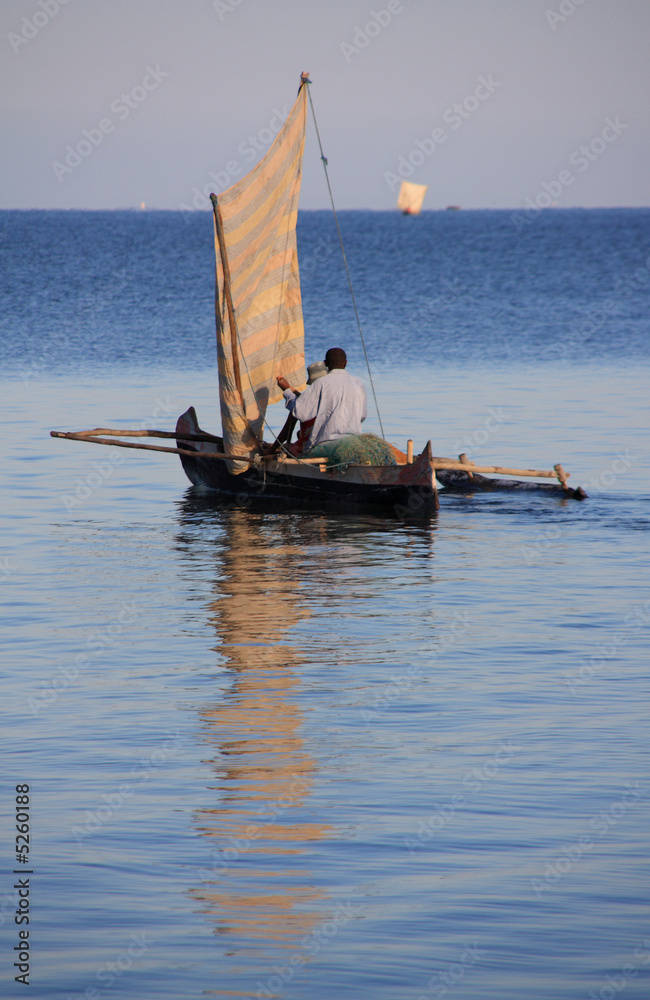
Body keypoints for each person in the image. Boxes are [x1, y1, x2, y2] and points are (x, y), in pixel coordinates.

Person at [276, 348, 367, 451]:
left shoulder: (321, 383)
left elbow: (299, 411)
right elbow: (362, 416)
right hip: (352, 442)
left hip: (325, 444)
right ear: (345, 363)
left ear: (325, 363)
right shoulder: (358, 384)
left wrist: (287, 391)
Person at [271, 360, 328, 455]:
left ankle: (277, 449)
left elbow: (286, 431)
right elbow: (304, 400)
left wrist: (271, 450)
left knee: (295, 423)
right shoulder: (332, 396)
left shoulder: (305, 404)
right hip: (328, 442)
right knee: (299, 433)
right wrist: (290, 389)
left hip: (311, 447)